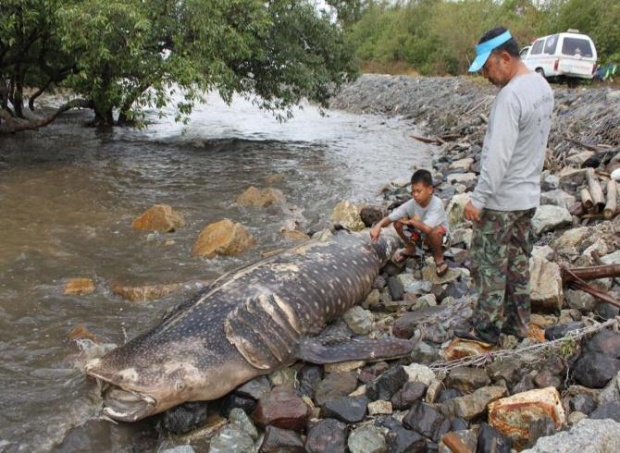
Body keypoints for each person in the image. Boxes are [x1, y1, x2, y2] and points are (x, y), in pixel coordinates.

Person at [455, 26, 554, 346]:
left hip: (501, 201)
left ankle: (485, 329)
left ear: (505, 58)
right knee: (518, 263)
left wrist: (478, 199)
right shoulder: (541, 86)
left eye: (487, 67)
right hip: (527, 196)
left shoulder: (509, 96)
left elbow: (497, 157)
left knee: (490, 266)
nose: (486, 74)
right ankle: (517, 323)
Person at [370, 169, 450, 276]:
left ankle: (439, 259)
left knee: (435, 231)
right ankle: (411, 248)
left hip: (441, 240)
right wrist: (378, 226)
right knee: (397, 224)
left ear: (430, 189)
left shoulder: (437, 203)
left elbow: (427, 229)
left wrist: (411, 222)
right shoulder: (411, 204)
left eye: (419, 191)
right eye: (413, 192)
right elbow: (390, 218)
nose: (415, 195)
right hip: (422, 238)